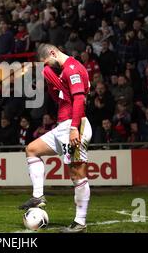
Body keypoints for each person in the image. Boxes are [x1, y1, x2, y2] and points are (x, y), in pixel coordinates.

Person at [19, 43, 92, 233]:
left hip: (74, 125)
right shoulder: (61, 71)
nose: (48, 66)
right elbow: (61, 97)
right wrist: (49, 78)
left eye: (47, 62)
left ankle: (80, 223)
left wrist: (75, 128)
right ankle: (38, 197)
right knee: (32, 150)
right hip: (63, 127)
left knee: (77, 175)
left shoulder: (73, 68)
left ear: (53, 53)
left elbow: (78, 100)